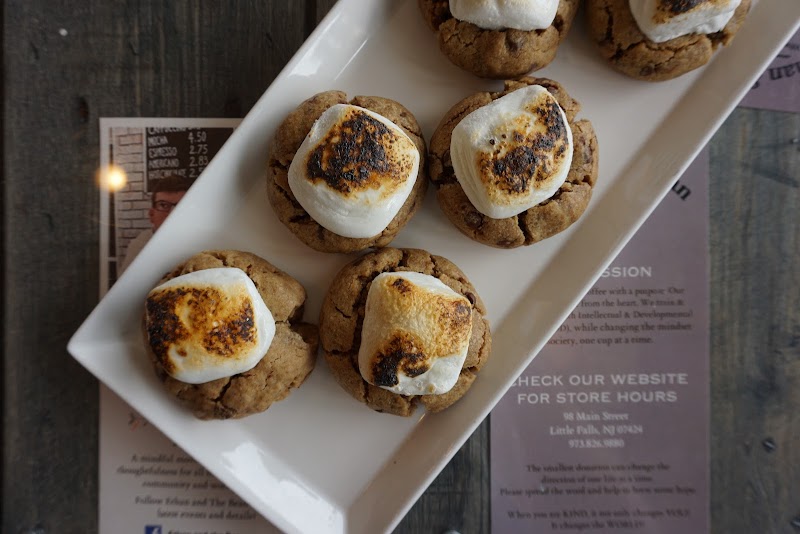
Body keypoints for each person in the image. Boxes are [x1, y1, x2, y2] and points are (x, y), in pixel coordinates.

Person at [118, 175, 193, 275]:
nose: (172, 213)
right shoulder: (140, 246)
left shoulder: (203, 241)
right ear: (151, 214)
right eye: (163, 205)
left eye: (180, 206)